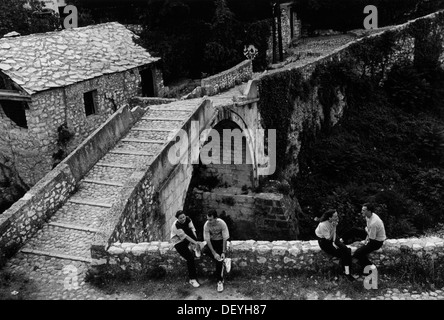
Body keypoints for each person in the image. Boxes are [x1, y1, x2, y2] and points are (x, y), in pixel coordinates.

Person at [315, 209, 355, 281]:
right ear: (330, 218)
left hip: (333, 236)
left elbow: (334, 234)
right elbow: (328, 239)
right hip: (324, 242)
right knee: (344, 254)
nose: (337, 217)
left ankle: (347, 272)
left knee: (347, 250)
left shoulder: (332, 221)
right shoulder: (323, 225)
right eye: (335, 216)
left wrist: (335, 242)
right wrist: (334, 228)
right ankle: (346, 273)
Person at [170, 210, 201, 288]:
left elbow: (193, 229)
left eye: (183, 217)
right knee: (190, 258)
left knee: (189, 230)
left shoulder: (188, 219)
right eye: (180, 218)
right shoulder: (176, 226)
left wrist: (196, 241)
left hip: (185, 238)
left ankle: (195, 248)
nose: (183, 219)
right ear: (177, 219)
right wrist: (195, 243)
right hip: (178, 241)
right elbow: (185, 237)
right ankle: (192, 279)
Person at [353, 203, 386, 273]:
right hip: (371, 236)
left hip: (377, 242)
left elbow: (372, 238)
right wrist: (367, 231)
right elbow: (369, 230)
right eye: (362, 210)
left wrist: (367, 230)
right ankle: (365, 269)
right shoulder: (368, 216)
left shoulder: (374, 222)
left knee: (358, 253)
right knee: (354, 231)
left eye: (364, 210)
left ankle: (372, 268)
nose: (362, 212)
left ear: (369, 211)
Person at [202, 209, 231, 292]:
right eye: (207, 219)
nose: (209, 221)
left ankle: (219, 281)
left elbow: (225, 238)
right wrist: (214, 253)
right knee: (205, 250)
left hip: (221, 242)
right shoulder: (206, 225)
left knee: (219, 260)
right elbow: (207, 240)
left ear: (215, 218)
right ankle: (223, 261)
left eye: (210, 219)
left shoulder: (222, 223)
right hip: (212, 242)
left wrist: (223, 252)